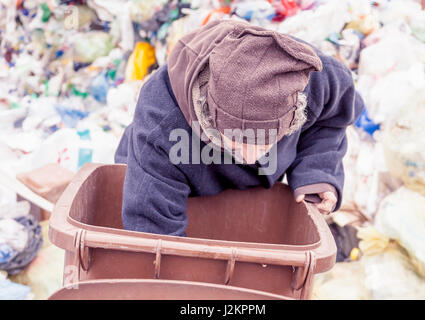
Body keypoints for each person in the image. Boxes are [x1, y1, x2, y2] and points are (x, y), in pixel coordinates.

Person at [115, 19, 364, 237]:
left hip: (247, 194)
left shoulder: (311, 77)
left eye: (264, 143)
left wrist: (317, 174)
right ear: (207, 118)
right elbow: (154, 234)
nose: (251, 157)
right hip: (164, 182)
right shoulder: (160, 121)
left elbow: (331, 121)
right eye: (236, 143)